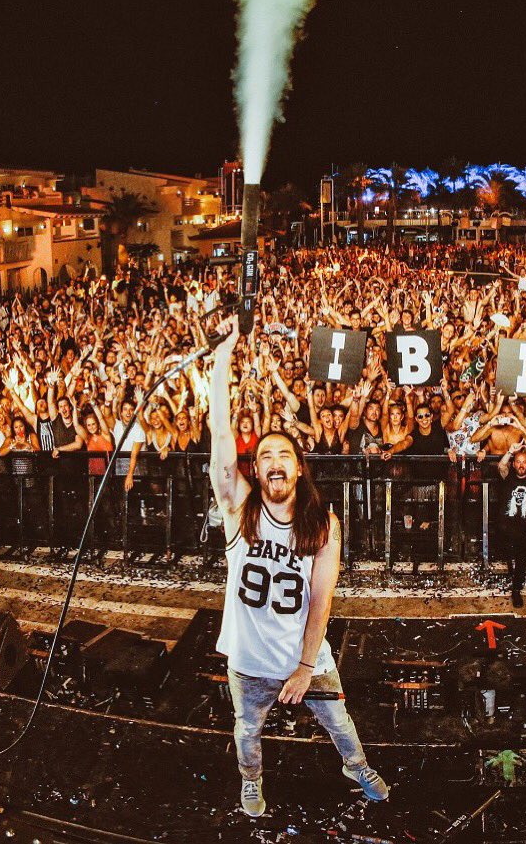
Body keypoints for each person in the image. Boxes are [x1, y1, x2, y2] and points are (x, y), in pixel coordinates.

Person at [209, 316, 388, 818]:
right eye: (264, 455)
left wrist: (307, 667)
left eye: (283, 454)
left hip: (304, 657)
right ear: (256, 468)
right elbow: (221, 433)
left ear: (298, 466)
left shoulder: (322, 524)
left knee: (339, 722)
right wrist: (222, 360)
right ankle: (250, 782)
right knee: (247, 730)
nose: (274, 462)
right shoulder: (237, 510)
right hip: (248, 661)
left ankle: (358, 768)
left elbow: (321, 601)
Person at [496, 440, 526, 608]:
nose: (521, 465)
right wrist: (510, 451)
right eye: (518, 462)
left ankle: (516, 590)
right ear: (514, 464)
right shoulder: (508, 477)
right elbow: (501, 466)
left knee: (521, 552)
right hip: (505, 526)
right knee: (522, 547)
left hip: (523, 528)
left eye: (524, 462)